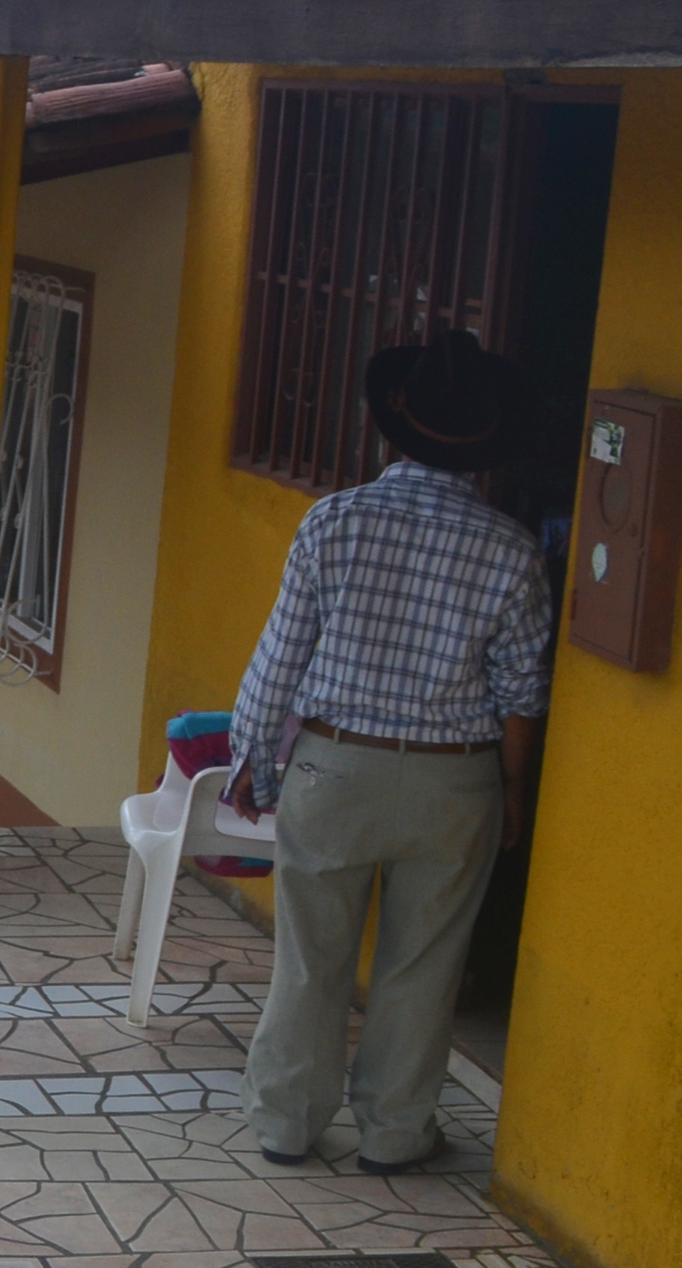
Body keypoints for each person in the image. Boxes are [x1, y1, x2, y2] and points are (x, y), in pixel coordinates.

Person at [224, 328, 553, 1175]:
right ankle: (396, 1134)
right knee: (425, 962)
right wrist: (514, 792)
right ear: (484, 449)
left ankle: (287, 1124)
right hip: (457, 780)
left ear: (388, 432)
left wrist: (254, 760)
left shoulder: (333, 522)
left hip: (336, 766)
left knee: (311, 955)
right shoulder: (513, 552)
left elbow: (280, 657)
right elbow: (522, 696)